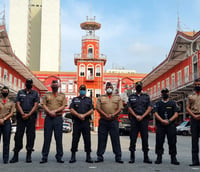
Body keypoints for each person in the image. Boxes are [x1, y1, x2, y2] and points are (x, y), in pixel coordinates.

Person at [10, 79, 39, 163]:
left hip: (31, 117)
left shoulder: (35, 93)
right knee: (18, 135)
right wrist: (23, 114)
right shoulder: (20, 92)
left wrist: (29, 114)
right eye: (27, 83)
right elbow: (17, 103)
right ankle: (15, 155)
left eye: (30, 83)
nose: (28, 84)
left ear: (32, 84)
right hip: (21, 117)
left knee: (31, 136)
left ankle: (29, 155)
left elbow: (36, 105)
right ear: (25, 84)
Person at [95, 82, 124, 163]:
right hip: (103, 120)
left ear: (113, 87)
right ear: (105, 88)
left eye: (110, 86)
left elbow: (120, 108)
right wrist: (106, 115)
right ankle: (99, 156)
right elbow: (98, 108)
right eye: (107, 86)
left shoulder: (117, 97)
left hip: (114, 120)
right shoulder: (101, 97)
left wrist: (112, 115)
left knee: (115, 139)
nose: (109, 88)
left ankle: (118, 157)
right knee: (101, 139)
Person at [40, 80, 67, 163]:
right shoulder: (47, 95)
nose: (54, 86)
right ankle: (44, 157)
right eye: (53, 85)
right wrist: (49, 112)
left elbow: (63, 106)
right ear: (51, 86)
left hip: (58, 118)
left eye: (56, 85)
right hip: (48, 118)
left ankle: (59, 156)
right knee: (47, 138)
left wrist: (54, 111)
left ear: (58, 86)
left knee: (58, 138)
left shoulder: (62, 96)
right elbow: (43, 104)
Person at [128, 81, 152, 164]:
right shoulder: (131, 96)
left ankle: (146, 157)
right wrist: (136, 116)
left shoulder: (146, 96)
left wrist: (142, 116)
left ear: (142, 87)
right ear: (135, 87)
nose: (138, 87)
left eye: (140, 86)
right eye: (137, 86)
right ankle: (132, 157)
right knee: (133, 138)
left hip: (144, 120)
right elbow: (129, 108)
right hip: (134, 120)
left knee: (145, 138)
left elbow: (149, 108)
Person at [154, 88, 180, 165]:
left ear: (169, 93)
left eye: (166, 92)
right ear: (161, 94)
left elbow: (176, 114)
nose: (164, 94)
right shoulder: (157, 103)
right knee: (159, 141)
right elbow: (155, 113)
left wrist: (169, 121)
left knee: (172, 141)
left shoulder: (173, 103)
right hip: (160, 125)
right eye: (163, 92)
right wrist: (162, 120)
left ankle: (173, 158)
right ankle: (159, 157)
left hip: (170, 125)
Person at [69, 84, 94, 163]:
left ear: (85, 91)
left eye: (83, 89)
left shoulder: (89, 100)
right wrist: (78, 115)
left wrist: (84, 115)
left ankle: (88, 156)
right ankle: (73, 156)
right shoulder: (75, 99)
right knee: (75, 139)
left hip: (85, 122)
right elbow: (71, 109)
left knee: (87, 139)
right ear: (79, 90)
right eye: (81, 89)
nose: (82, 90)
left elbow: (92, 110)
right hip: (77, 122)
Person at [186, 78, 200, 166]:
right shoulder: (190, 95)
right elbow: (187, 107)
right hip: (194, 119)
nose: (198, 86)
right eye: (196, 85)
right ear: (194, 85)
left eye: (199, 84)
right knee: (194, 141)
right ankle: (195, 161)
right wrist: (194, 116)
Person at [0, 86, 15, 164]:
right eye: (3, 91)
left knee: (6, 142)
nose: (4, 92)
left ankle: (5, 159)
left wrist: (4, 119)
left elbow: (12, 113)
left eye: (6, 91)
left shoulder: (11, 103)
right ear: (1, 92)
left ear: (8, 93)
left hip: (7, 123)